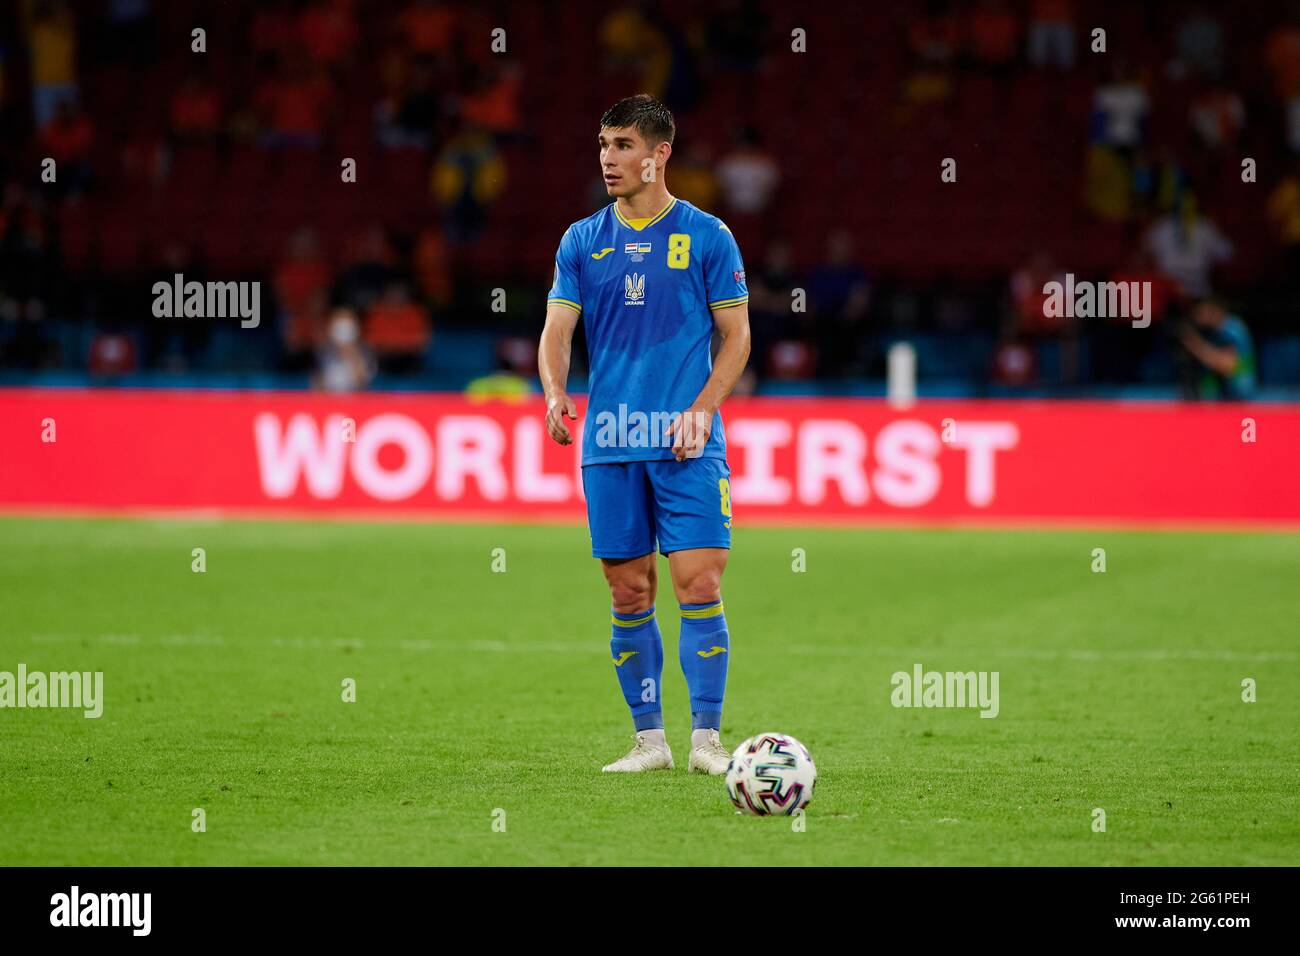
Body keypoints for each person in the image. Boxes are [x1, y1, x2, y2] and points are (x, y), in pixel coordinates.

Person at [538, 94, 751, 775]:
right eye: (603, 143)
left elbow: (738, 336)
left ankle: (707, 741)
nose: (609, 157)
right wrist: (553, 387)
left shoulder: (708, 235)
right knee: (629, 592)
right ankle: (649, 741)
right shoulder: (581, 240)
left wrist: (703, 407)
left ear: (660, 154)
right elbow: (557, 328)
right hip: (611, 441)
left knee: (699, 579)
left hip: (686, 441)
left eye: (624, 144)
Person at [1175, 297, 1255, 401]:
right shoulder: (1210, 330)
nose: (1196, 315)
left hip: (1238, 398)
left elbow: (1226, 365)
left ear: (1214, 310)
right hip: (1218, 397)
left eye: (1200, 311)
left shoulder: (1231, 329)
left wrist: (1194, 344)